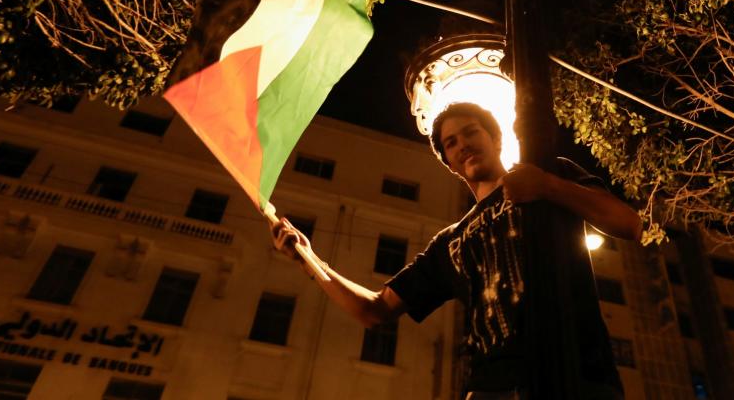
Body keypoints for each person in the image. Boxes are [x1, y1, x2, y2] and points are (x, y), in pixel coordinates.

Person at [271, 102, 642, 399]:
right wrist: (309, 259)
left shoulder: (546, 173)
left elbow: (629, 224)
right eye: (451, 142)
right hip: (489, 388)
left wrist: (547, 185)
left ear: (496, 139)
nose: (463, 144)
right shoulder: (449, 243)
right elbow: (375, 309)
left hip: (577, 375)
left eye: (471, 132)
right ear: (449, 163)